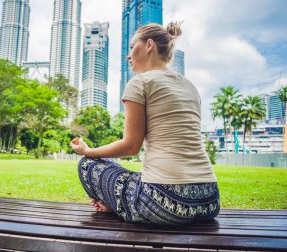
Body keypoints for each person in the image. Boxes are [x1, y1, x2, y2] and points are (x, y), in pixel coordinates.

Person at [70, 22, 220, 225]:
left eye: (132, 46)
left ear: (149, 45)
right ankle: (117, 205)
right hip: (209, 200)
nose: (128, 55)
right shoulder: (190, 86)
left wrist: (88, 151)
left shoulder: (140, 83)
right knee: (126, 171)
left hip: (166, 203)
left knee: (89, 164)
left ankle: (119, 206)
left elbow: (131, 146)